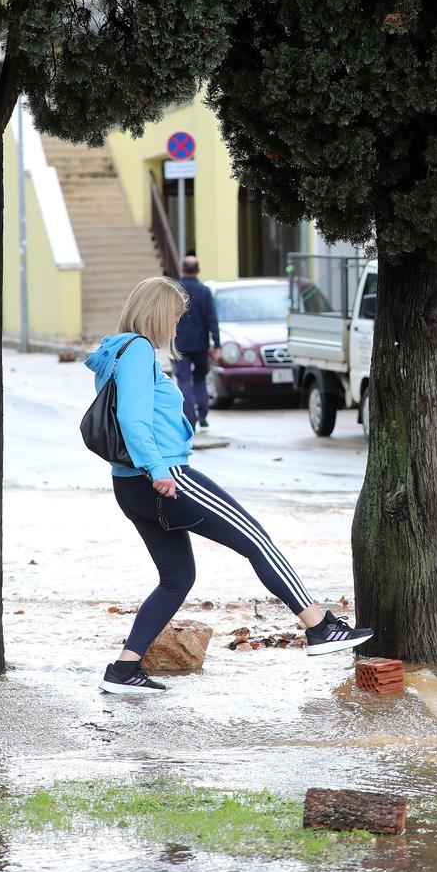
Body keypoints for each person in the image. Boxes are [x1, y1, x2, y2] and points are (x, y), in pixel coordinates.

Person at [85, 276, 371, 695]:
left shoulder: (114, 354)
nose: (178, 325)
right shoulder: (139, 350)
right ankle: (319, 627)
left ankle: (125, 669)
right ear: (160, 313)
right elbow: (131, 419)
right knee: (256, 539)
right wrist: (159, 471)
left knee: (177, 578)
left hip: (130, 485)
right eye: (177, 316)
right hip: (164, 479)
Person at [172, 255, 220, 430]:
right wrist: (217, 345)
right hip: (201, 344)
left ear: (182, 269)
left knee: (183, 380)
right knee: (199, 378)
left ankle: (189, 418)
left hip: (179, 344)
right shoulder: (204, 291)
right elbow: (212, 319)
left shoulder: (174, 290)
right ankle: (203, 415)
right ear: (198, 270)